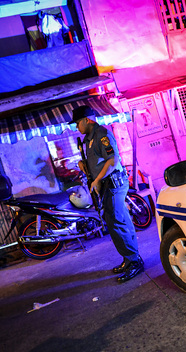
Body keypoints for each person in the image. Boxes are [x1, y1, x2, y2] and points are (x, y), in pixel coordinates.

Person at [71, 105, 144, 283]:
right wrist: (84, 166)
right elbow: (97, 161)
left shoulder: (101, 134)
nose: (76, 127)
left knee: (117, 222)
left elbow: (112, 160)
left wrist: (96, 181)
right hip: (106, 185)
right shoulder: (88, 138)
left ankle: (134, 261)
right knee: (115, 222)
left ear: (87, 120)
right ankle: (129, 259)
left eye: (78, 123)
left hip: (114, 183)